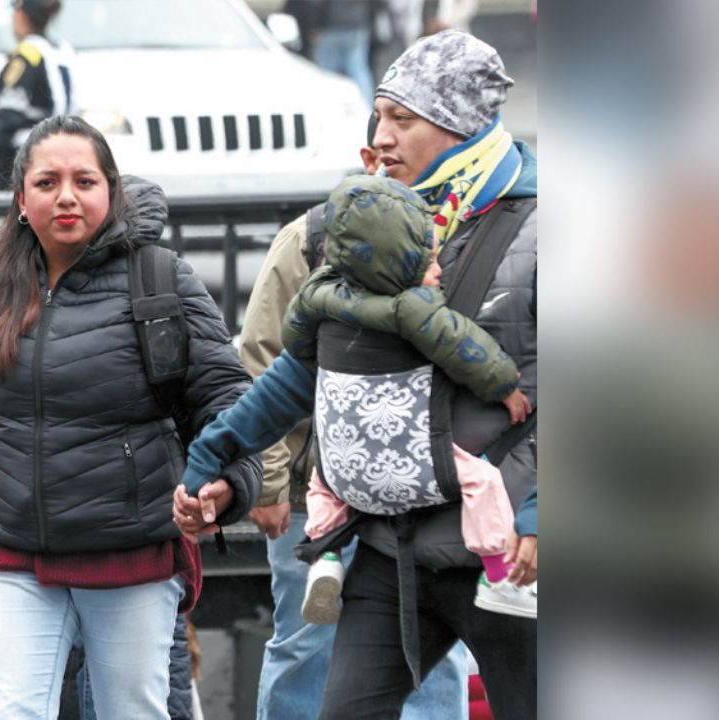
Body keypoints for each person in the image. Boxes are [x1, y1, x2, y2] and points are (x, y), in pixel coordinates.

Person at [179, 30, 537, 719]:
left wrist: (540, 512)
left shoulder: (544, 229)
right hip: (386, 547)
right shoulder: (353, 230)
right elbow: (296, 371)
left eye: (403, 118)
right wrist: (217, 459)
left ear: (462, 125)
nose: (382, 137)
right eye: (379, 116)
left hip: (505, 552)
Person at [0, 115, 261, 719]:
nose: (66, 196)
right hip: (14, 557)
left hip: (131, 557)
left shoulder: (161, 279)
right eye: (47, 183)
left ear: (111, 191)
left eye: (84, 181)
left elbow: (225, 399)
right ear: (21, 200)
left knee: (133, 712)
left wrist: (227, 484)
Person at [239, 143, 470, 719]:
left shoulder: (459, 235)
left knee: (434, 655)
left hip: (426, 488)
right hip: (316, 490)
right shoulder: (309, 237)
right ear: (369, 159)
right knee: (307, 646)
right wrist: (268, 479)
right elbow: (263, 358)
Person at [281, 173, 535, 623]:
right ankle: (498, 573)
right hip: (411, 449)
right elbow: (467, 351)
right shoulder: (414, 307)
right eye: (429, 260)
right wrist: (505, 389)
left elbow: (294, 339)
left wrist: (313, 356)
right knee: (481, 480)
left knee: (323, 481)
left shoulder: (317, 294)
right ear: (396, 261)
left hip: (346, 455)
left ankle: (325, 556)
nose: (438, 271)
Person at [0, 0, 73, 192]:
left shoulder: (27, 55)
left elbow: (5, 119)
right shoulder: (62, 51)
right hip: (62, 153)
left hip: (24, 160)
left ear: (20, 14)